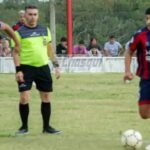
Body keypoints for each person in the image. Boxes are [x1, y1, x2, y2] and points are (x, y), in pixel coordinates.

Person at [12, 5, 61, 135]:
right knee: (24, 98)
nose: (32, 17)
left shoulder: (45, 30)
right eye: (30, 14)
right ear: (25, 16)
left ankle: (47, 127)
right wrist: (18, 70)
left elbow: (49, 49)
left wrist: (56, 66)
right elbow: (16, 53)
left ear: (38, 16)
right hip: (26, 68)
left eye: (35, 14)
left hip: (43, 67)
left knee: (46, 96)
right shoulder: (18, 33)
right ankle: (24, 127)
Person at [124, 7, 150, 119]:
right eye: (147, 18)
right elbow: (129, 52)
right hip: (146, 78)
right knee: (143, 114)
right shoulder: (140, 35)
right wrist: (127, 71)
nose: (148, 21)